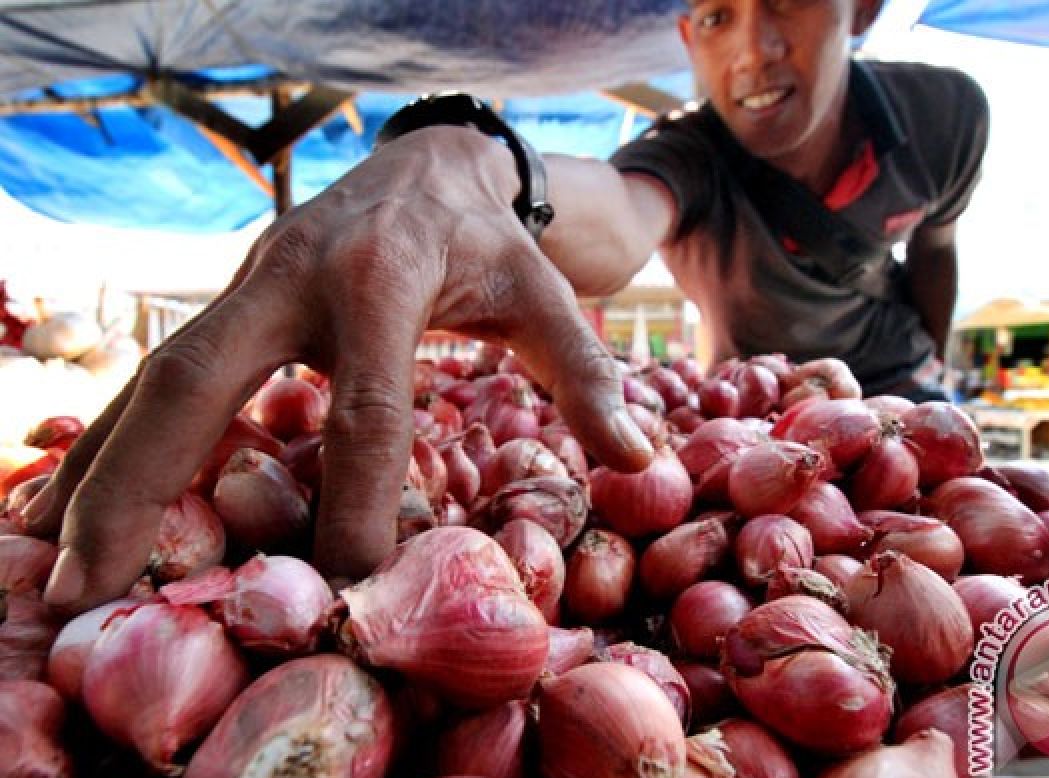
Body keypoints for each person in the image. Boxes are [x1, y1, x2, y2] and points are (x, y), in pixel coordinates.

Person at [29, 0, 988, 614]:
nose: (752, 50)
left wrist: (932, 365)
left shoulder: (949, 116)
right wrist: (469, 156)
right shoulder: (690, 154)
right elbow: (611, 219)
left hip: (902, 394)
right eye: (713, 15)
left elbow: (937, 247)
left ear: (861, 7)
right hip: (759, 403)